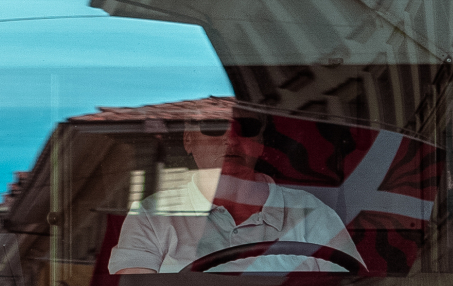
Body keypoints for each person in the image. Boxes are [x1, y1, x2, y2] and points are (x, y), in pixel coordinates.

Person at [108, 114, 362, 275]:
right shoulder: (151, 216)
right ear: (188, 140)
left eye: (247, 127)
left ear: (260, 144)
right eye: (213, 126)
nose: (230, 141)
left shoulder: (311, 212)